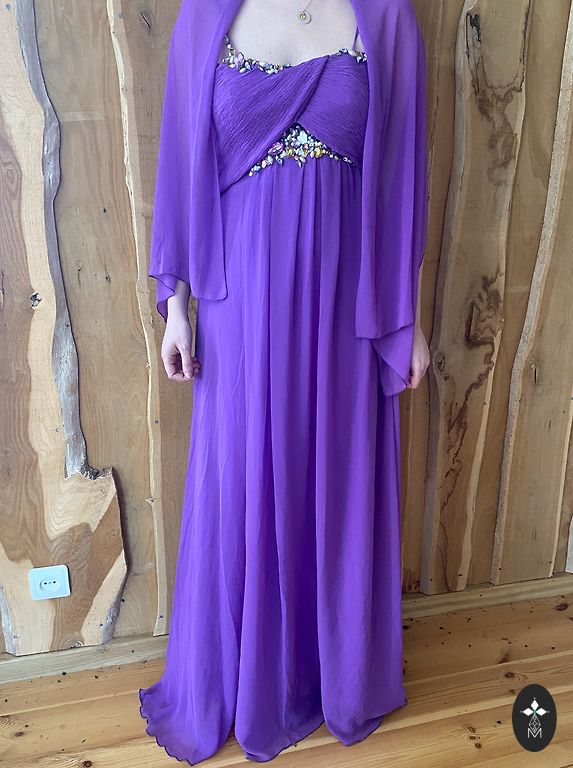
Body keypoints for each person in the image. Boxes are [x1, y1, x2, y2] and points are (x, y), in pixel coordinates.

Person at [139, 0, 430, 763]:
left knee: (333, 477)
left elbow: (400, 177)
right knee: (241, 481)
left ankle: (331, 672)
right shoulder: (204, 17)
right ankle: (244, 679)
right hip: (236, 304)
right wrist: (176, 309)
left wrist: (407, 320)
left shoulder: (385, 18)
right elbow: (182, 161)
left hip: (344, 305)